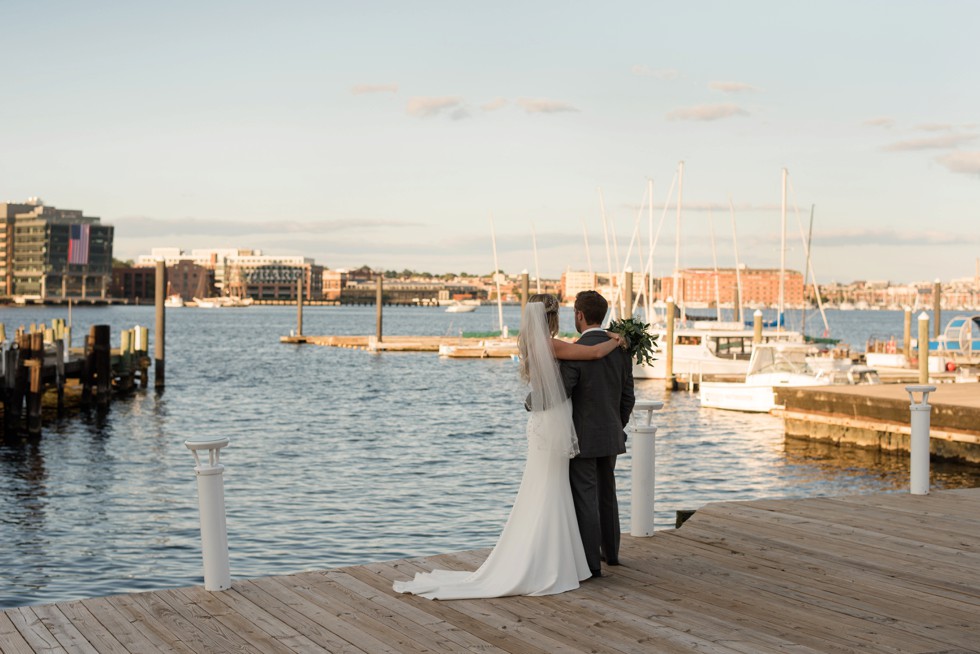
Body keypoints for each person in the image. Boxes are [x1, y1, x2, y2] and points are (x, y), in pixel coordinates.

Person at [392, 294, 623, 599]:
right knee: (561, 489)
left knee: (554, 489)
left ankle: (562, 556)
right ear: (552, 317)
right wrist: (617, 340)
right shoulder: (556, 345)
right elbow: (593, 357)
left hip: (549, 423)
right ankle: (567, 558)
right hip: (566, 425)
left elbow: (565, 378)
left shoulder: (539, 344)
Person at [560, 290, 635, 578]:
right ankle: (611, 553)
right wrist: (617, 425)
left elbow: (563, 393)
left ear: (579, 315)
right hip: (611, 435)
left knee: (585, 497)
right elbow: (628, 397)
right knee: (607, 494)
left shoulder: (576, 351)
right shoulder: (620, 349)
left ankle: (591, 563)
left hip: (582, 438)